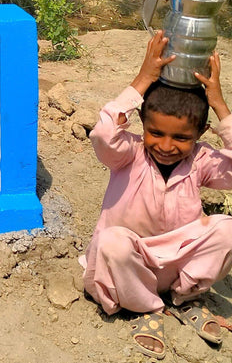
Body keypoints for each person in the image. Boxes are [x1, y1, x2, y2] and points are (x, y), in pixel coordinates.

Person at [83, 30, 232, 358]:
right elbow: (104, 133)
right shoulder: (127, 154)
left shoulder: (200, 160)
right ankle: (146, 308)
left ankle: (184, 298)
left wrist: (220, 105)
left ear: (200, 134)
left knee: (227, 229)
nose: (166, 146)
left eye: (181, 137)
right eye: (156, 132)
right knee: (112, 242)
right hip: (127, 266)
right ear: (141, 124)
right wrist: (142, 80)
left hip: (176, 267)